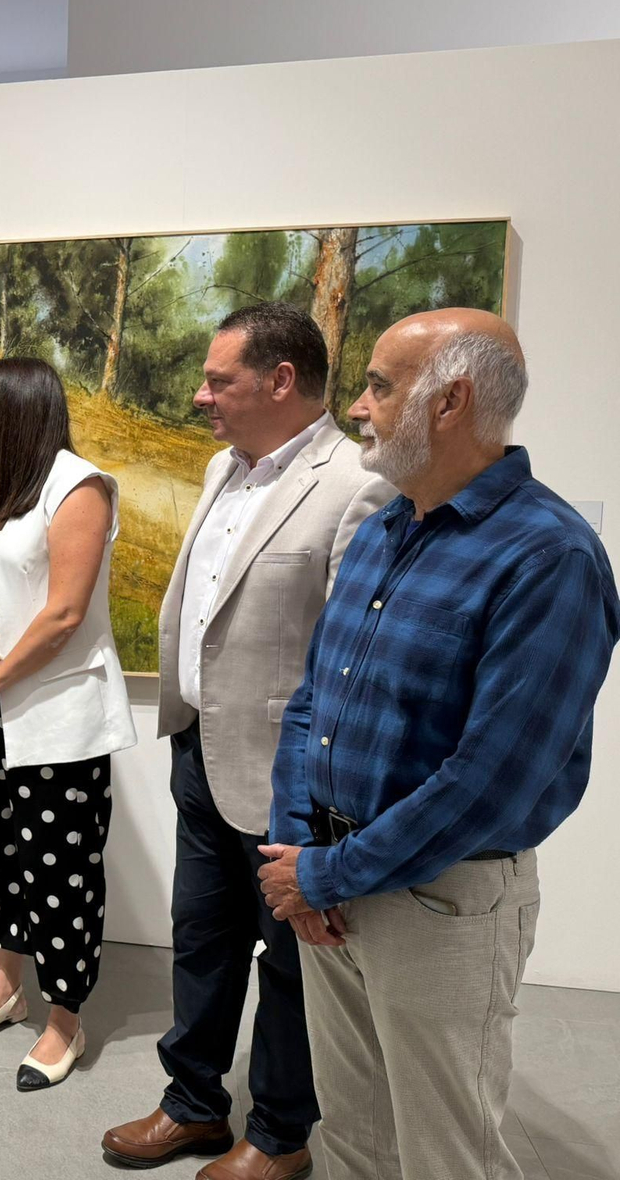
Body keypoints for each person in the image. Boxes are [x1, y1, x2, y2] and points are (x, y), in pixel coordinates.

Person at [260, 309, 619, 1180]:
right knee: (354, 1129)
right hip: (333, 879)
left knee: (444, 1148)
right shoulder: (388, 527)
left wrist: (323, 875)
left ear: (451, 400)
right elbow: (314, 700)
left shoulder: (550, 556)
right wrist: (303, 850)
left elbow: (490, 782)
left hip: (442, 901)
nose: (357, 407)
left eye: (380, 385)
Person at [103, 304, 392, 1177]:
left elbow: (350, 656)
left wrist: (318, 798)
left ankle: (278, 1136)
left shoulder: (355, 484)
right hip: (198, 750)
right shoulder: (220, 469)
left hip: (290, 777)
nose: (201, 397)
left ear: (281, 380)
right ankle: (192, 1103)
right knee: (201, 938)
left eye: (218, 380)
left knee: (292, 968)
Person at [0, 358, 136, 1091]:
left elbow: (64, 613)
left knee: (58, 869)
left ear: (21, 409)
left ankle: (65, 1020)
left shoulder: (80, 487)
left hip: (52, 717)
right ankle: (5, 985)